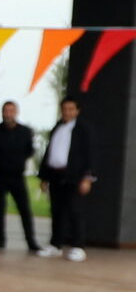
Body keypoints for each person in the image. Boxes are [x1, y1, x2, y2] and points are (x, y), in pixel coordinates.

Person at [38, 94, 93, 261]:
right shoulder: (57, 127)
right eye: (64, 109)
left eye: (71, 109)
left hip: (74, 176)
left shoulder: (83, 129)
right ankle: (56, 244)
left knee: (75, 210)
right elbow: (50, 152)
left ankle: (78, 246)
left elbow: (90, 154)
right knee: (57, 211)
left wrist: (87, 178)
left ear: (77, 111)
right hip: (56, 175)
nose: (67, 112)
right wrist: (44, 177)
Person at [0, 99, 40, 254]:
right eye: (6, 111)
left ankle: (31, 241)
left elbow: (30, 151)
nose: (8, 114)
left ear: (16, 113)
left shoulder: (25, 131)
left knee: (25, 209)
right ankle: (1, 241)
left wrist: (18, 160)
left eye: (11, 111)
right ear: (2, 113)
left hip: (17, 176)